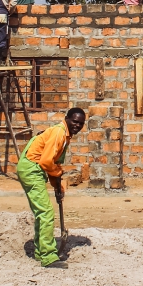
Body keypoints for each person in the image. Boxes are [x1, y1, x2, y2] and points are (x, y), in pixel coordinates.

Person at [17, 108, 87, 269]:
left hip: (34, 168)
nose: (77, 125)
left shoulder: (65, 135)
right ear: (66, 119)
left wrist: (57, 186)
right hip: (31, 169)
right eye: (75, 121)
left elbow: (50, 163)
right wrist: (58, 173)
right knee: (46, 212)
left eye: (81, 123)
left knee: (42, 213)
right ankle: (48, 257)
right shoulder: (59, 133)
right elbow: (47, 163)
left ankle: (40, 251)